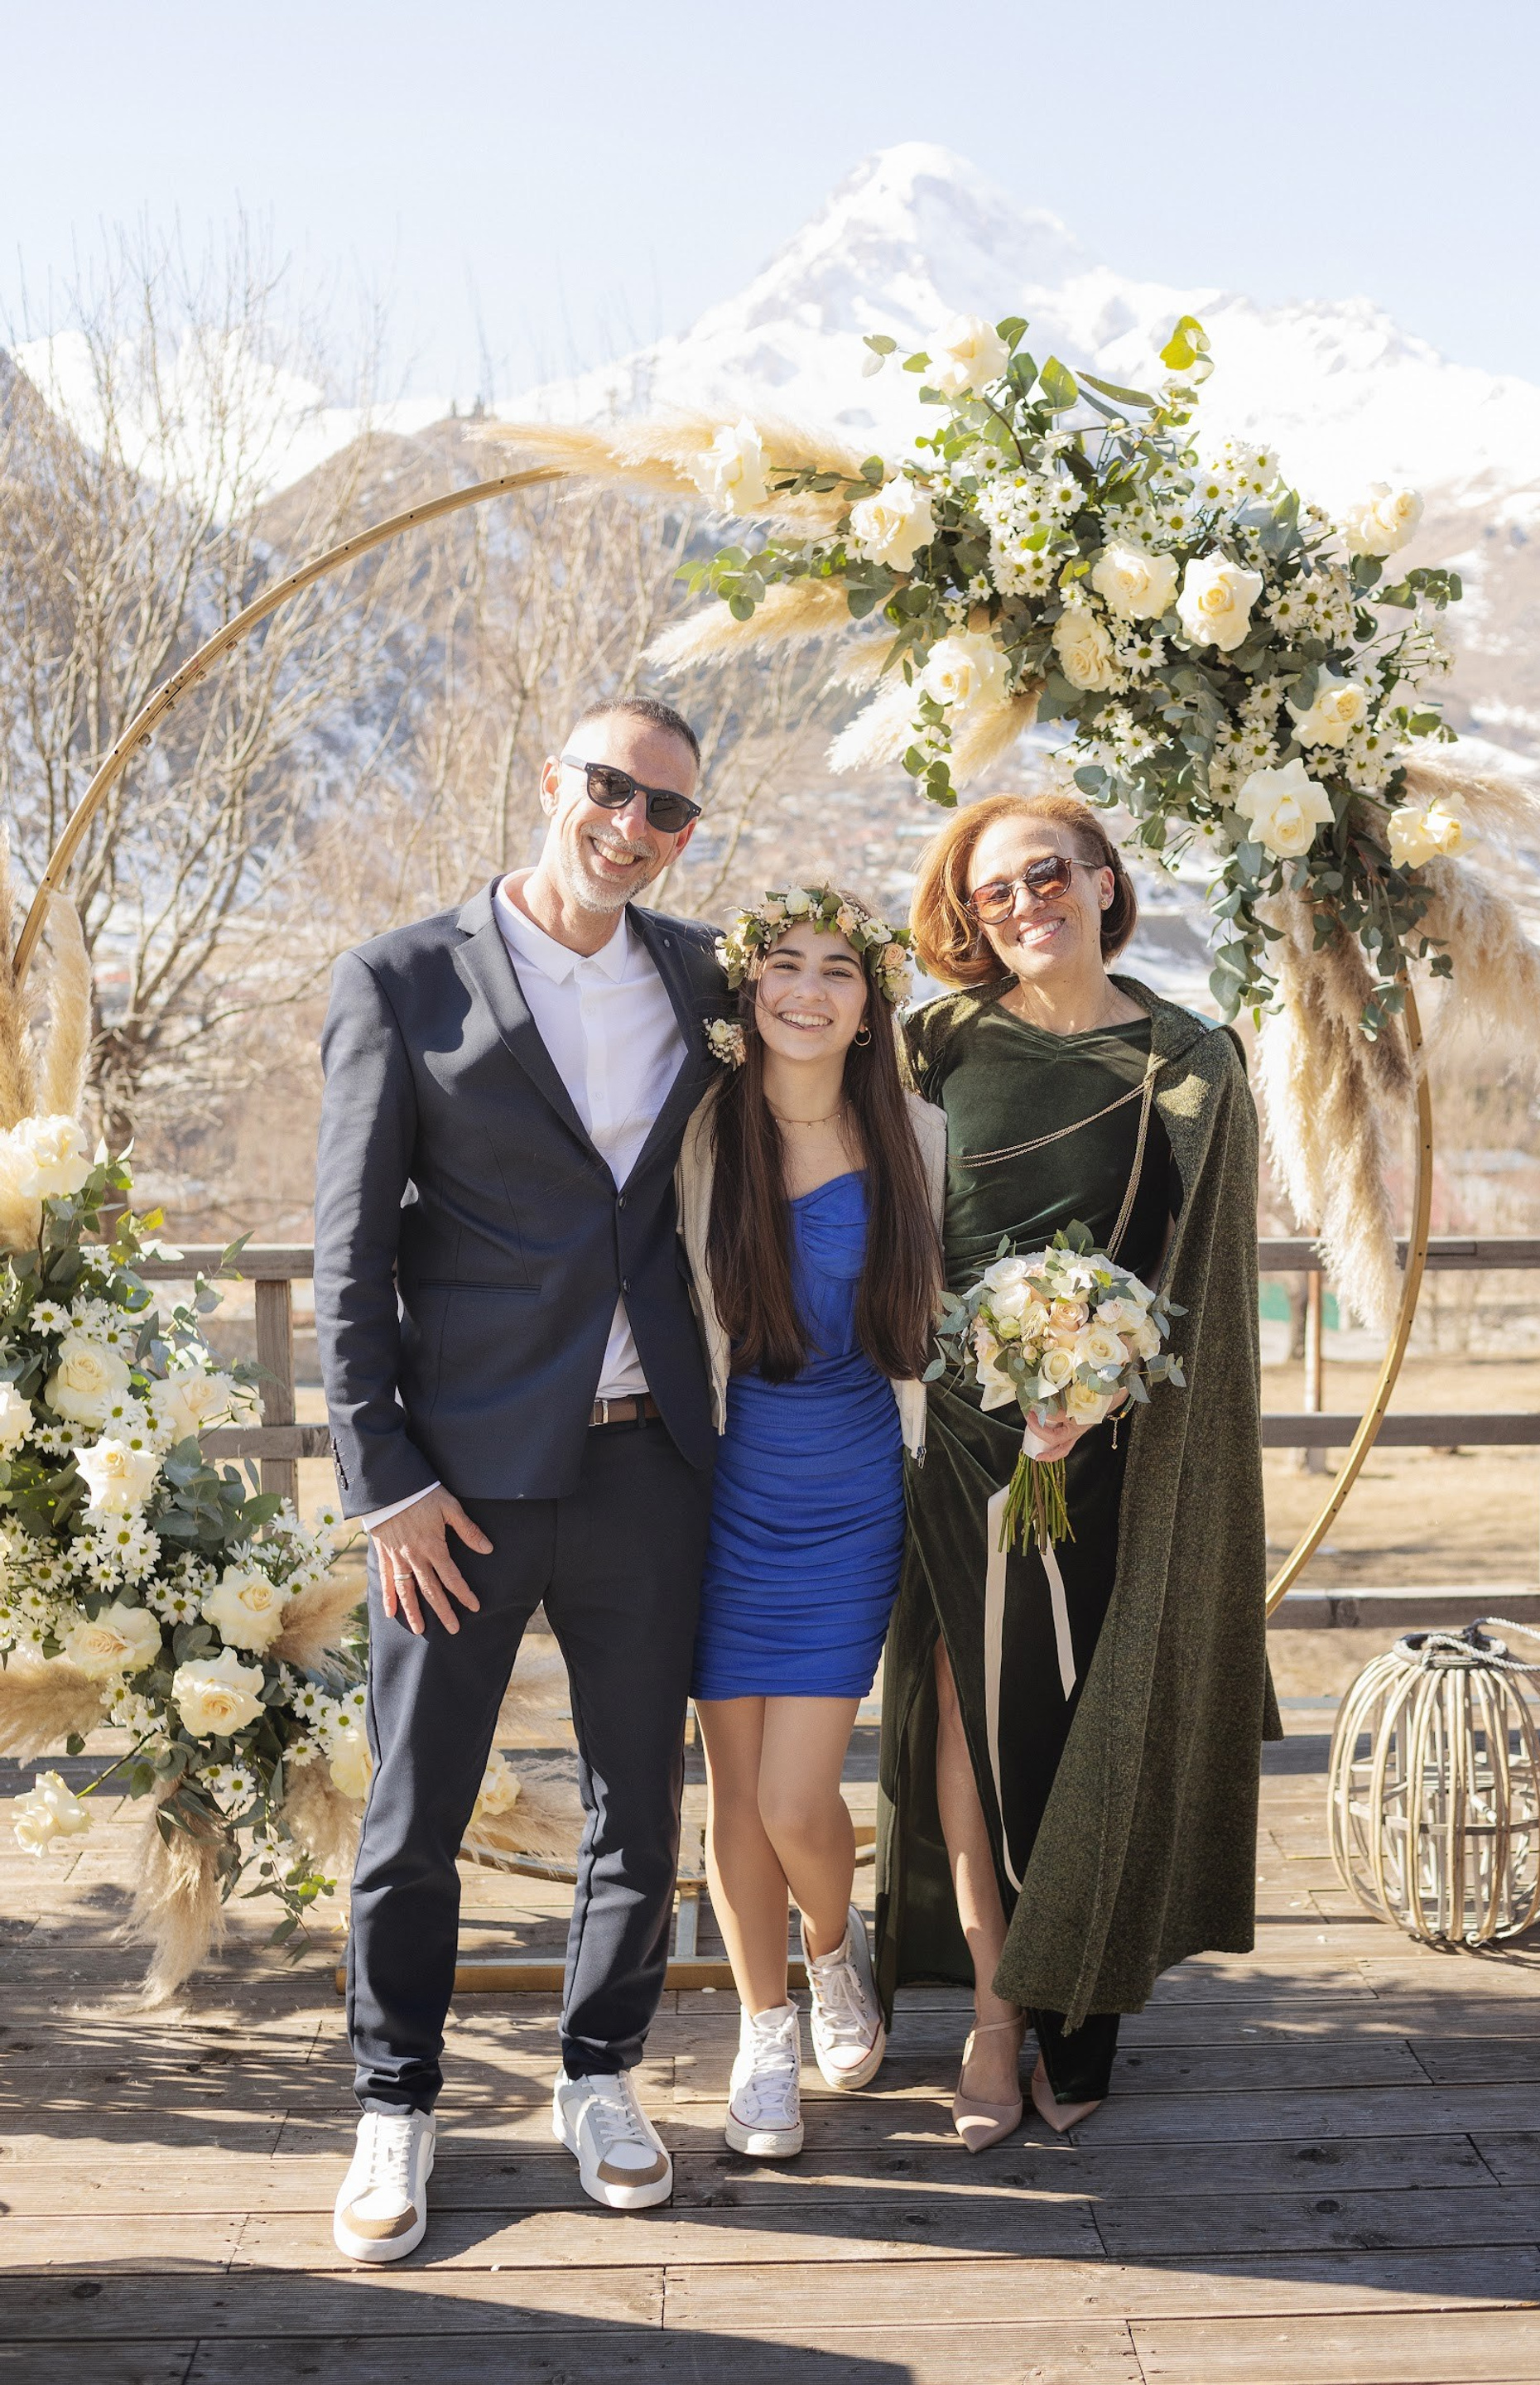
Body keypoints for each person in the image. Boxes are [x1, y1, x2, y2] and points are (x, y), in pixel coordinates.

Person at [315, 695, 729, 2261]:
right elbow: (351, 1256)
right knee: (414, 1810)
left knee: (642, 1800)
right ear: (555, 780)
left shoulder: (703, 977)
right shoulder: (401, 979)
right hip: (458, 1487)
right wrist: (385, 1481)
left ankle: (601, 2075)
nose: (633, 827)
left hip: (650, 1465)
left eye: (669, 810)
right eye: (612, 788)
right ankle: (395, 2100)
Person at [873, 790, 1280, 2151]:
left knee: (1081, 1722)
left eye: (1046, 875)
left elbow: (1202, 1279)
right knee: (971, 1717)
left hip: (1118, 1450)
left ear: (1105, 880)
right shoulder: (932, 1043)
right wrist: (971, 1365)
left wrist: (1097, 1382)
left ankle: (1084, 1997)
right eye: (992, 892)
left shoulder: (1190, 1061)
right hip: (960, 1436)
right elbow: (884, 1232)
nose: (1023, 905)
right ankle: (997, 2013)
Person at [674, 887, 943, 2158]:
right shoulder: (699, 1136)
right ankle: (763, 2028)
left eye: (840, 970)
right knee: (733, 1788)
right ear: (750, 989)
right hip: (716, 1494)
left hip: (849, 1493)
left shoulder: (916, 1139)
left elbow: (957, 1318)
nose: (809, 990)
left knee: (795, 1795)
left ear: (869, 1007)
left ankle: (836, 1954)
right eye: (785, 964)